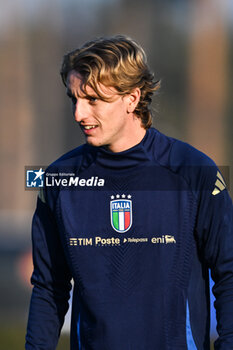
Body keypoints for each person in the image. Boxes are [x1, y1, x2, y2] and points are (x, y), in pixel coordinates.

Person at [25, 35, 233, 350]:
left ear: (132, 98)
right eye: (74, 99)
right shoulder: (57, 180)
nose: (79, 113)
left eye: (93, 100)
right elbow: (47, 288)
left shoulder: (194, 172)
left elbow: (229, 273)